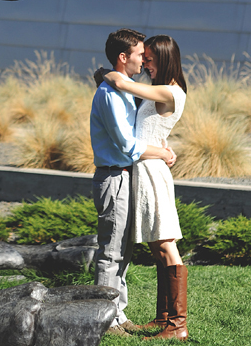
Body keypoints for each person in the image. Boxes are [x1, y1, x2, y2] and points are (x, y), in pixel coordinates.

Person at [90, 29, 176, 336]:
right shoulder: (109, 94)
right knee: (110, 252)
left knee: (123, 252)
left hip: (126, 175)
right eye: (140, 55)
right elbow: (127, 145)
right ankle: (103, 320)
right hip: (114, 176)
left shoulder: (124, 88)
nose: (144, 60)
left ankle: (117, 313)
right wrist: (162, 153)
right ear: (123, 57)